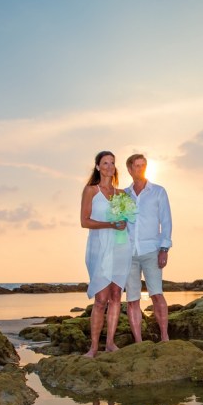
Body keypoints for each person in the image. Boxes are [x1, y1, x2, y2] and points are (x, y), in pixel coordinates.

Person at [80, 150, 129, 357]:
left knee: (116, 295)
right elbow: (84, 221)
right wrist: (110, 224)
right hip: (99, 246)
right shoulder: (91, 190)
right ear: (98, 167)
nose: (109, 166)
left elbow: (128, 220)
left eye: (112, 163)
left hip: (120, 247)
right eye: (105, 163)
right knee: (101, 298)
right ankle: (93, 347)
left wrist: (124, 222)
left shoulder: (121, 195)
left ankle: (110, 343)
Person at [124, 154, 172, 342]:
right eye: (137, 166)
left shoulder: (158, 191)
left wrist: (164, 248)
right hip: (128, 252)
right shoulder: (124, 195)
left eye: (144, 165)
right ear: (130, 169)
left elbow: (166, 222)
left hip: (152, 250)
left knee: (157, 294)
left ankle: (164, 337)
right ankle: (138, 342)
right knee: (133, 298)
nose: (141, 169)